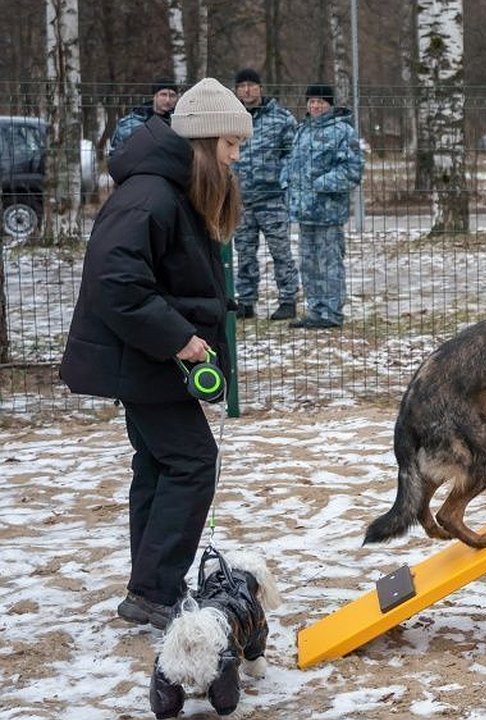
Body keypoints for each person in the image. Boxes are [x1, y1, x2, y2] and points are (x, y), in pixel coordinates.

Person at [59, 78, 252, 629]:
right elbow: (116, 281)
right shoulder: (150, 195)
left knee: (159, 464)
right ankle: (155, 591)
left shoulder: (171, 188)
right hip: (146, 358)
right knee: (192, 463)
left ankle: (150, 588)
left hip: (150, 359)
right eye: (230, 145)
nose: (236, 157)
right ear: (203, 142)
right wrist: (179, 338)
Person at [280, 82, 364, 329]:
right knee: (308, 264)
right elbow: (291, 162)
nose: (315, 106)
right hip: (304, 212)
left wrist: (319, 183)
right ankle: (315, 310)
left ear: (330, 104)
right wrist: (286, 181)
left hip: (328, 213)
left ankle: (331, 312)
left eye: (320, 102)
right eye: (311, 101)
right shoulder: (302, 130)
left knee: (329, 264)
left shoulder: (342, 131)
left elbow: (352, 169)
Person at [230, 67, 300, 321]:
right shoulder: (231, 119)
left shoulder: (281, 119)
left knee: (281, 252)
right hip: (241, 201)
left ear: (260, 88)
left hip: (272, 200)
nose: (247, 90)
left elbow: (294, 154)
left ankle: (288, 300)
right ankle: (246, 301)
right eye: (242, 86)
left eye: (251, 85)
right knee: (244, 253)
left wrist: (282, 180)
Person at [109, 77, 180, 157]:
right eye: (163, 95)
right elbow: (115, 154)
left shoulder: (180, 124)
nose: (168, 100)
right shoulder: (130, 124)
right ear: (154, 96)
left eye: (172, 95)